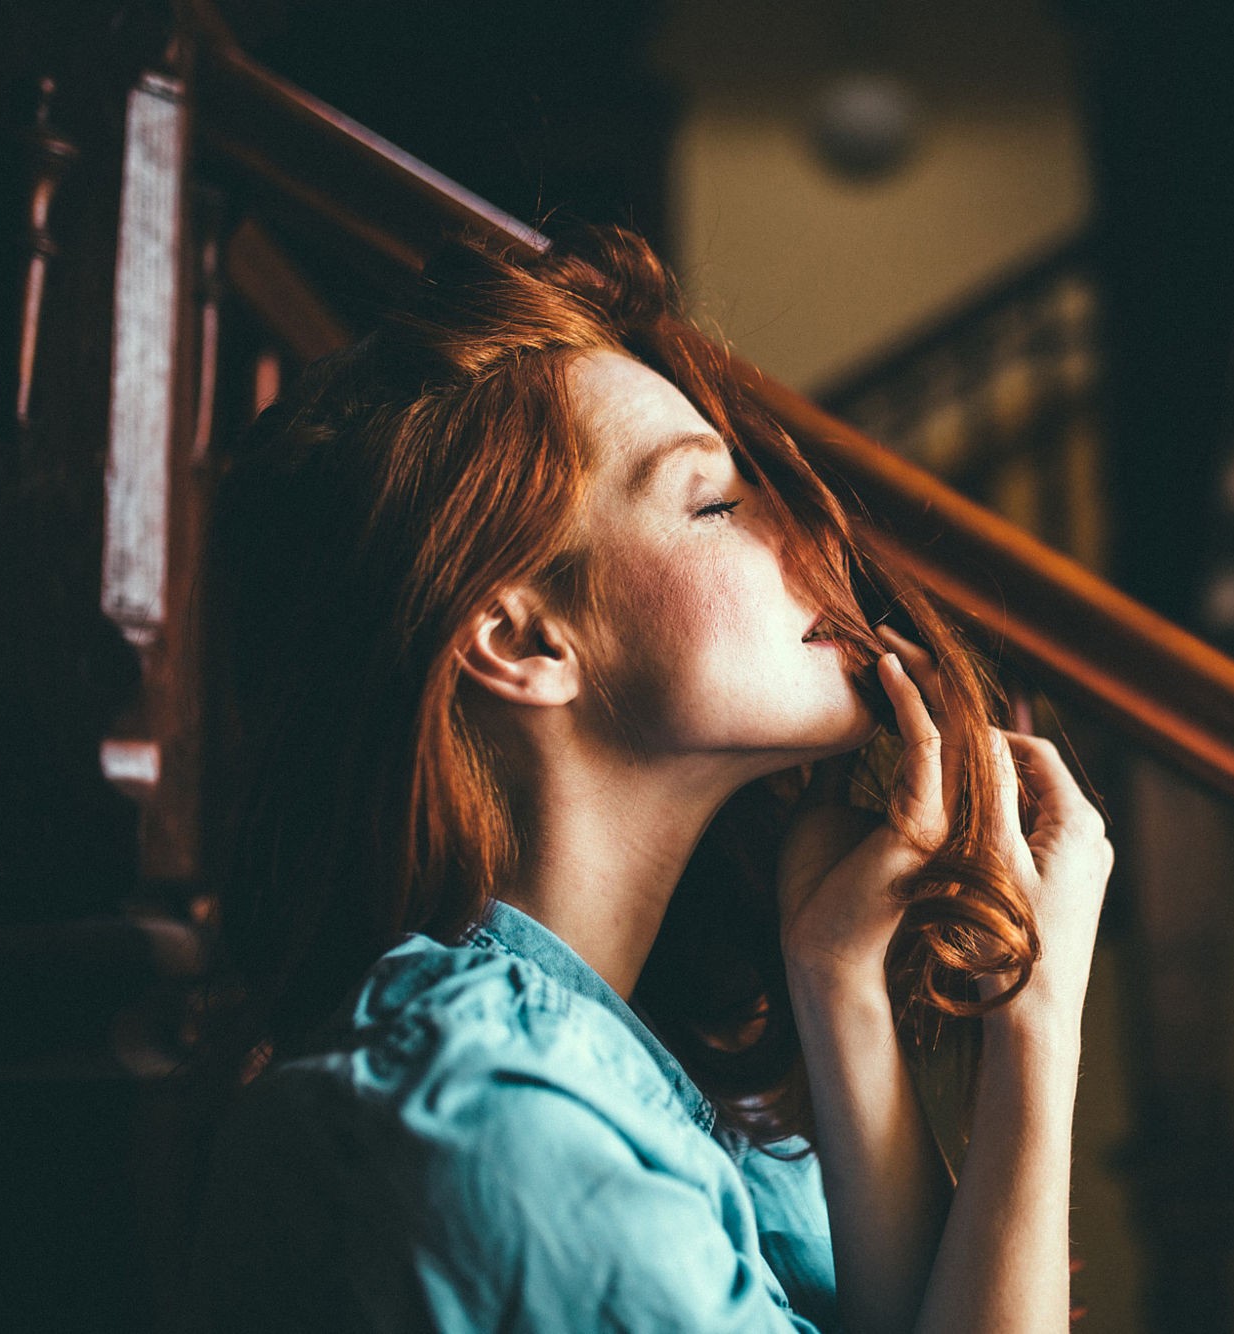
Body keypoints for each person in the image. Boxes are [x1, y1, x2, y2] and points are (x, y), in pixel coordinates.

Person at [186, 226, 1114, 1333]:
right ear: (523, 641)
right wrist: (1036, 1016)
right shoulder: (496, 1117)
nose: (804, 528)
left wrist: (842, 988)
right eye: (715, 503)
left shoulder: (677, 1094)